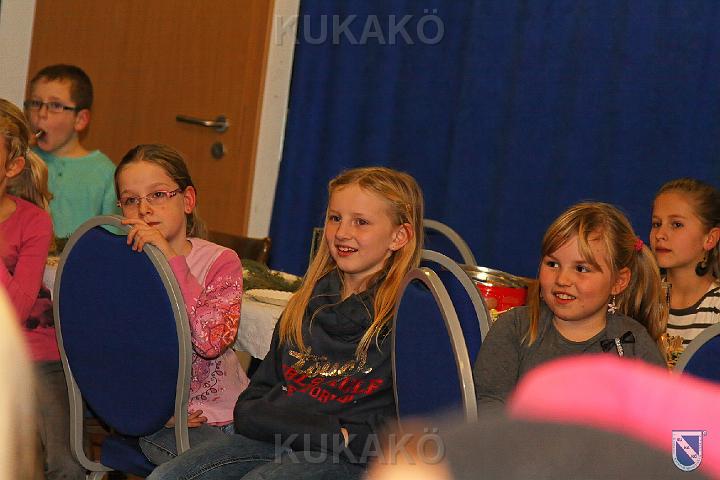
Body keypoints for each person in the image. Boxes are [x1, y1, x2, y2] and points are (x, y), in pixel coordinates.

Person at [147, 166, 424, 480]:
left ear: (399, 236)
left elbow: (409, 429)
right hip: (284, 441)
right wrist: (332, 432)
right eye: (335, 218)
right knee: (168, 475)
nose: (342, 233)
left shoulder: (408, 320)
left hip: (352, 460)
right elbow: (249, 408)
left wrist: (339, 438)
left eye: (361, 222)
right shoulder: (304, 304)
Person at [114, 144, 249, 464]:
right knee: (217, 466)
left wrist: (172, 258)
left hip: (233, 414)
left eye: (158, 195)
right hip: (162, 423)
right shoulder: (118, 268)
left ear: (187, 200)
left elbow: (211, 341)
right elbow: (110, 354)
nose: (144, 209)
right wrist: (151, 411)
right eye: (131, 200)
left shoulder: (220, 261)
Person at [474, 202, 666, 413]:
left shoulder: (634, 343)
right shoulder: (515, 327)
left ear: (618, 282)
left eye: (581, 269)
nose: (562, 279)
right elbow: (489, 409)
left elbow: (669, 418)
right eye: (552, 264)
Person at [0, 98, 85, 478]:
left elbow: (15, 310)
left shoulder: (32, 222)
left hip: (34, 354)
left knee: (65, 464)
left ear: (13, 166)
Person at [25, 64, 118, 239]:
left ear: (80, 119)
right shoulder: (21, 161)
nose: (41, 114)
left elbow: (112, 235)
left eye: (55, 105)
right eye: (36, 103)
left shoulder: (105, 174)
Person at [650, 178, 720, 347]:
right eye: (656, 224)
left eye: (676, 224)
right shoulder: (643, 299)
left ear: (710, 239)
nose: (660, 234)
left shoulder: (717, 306)